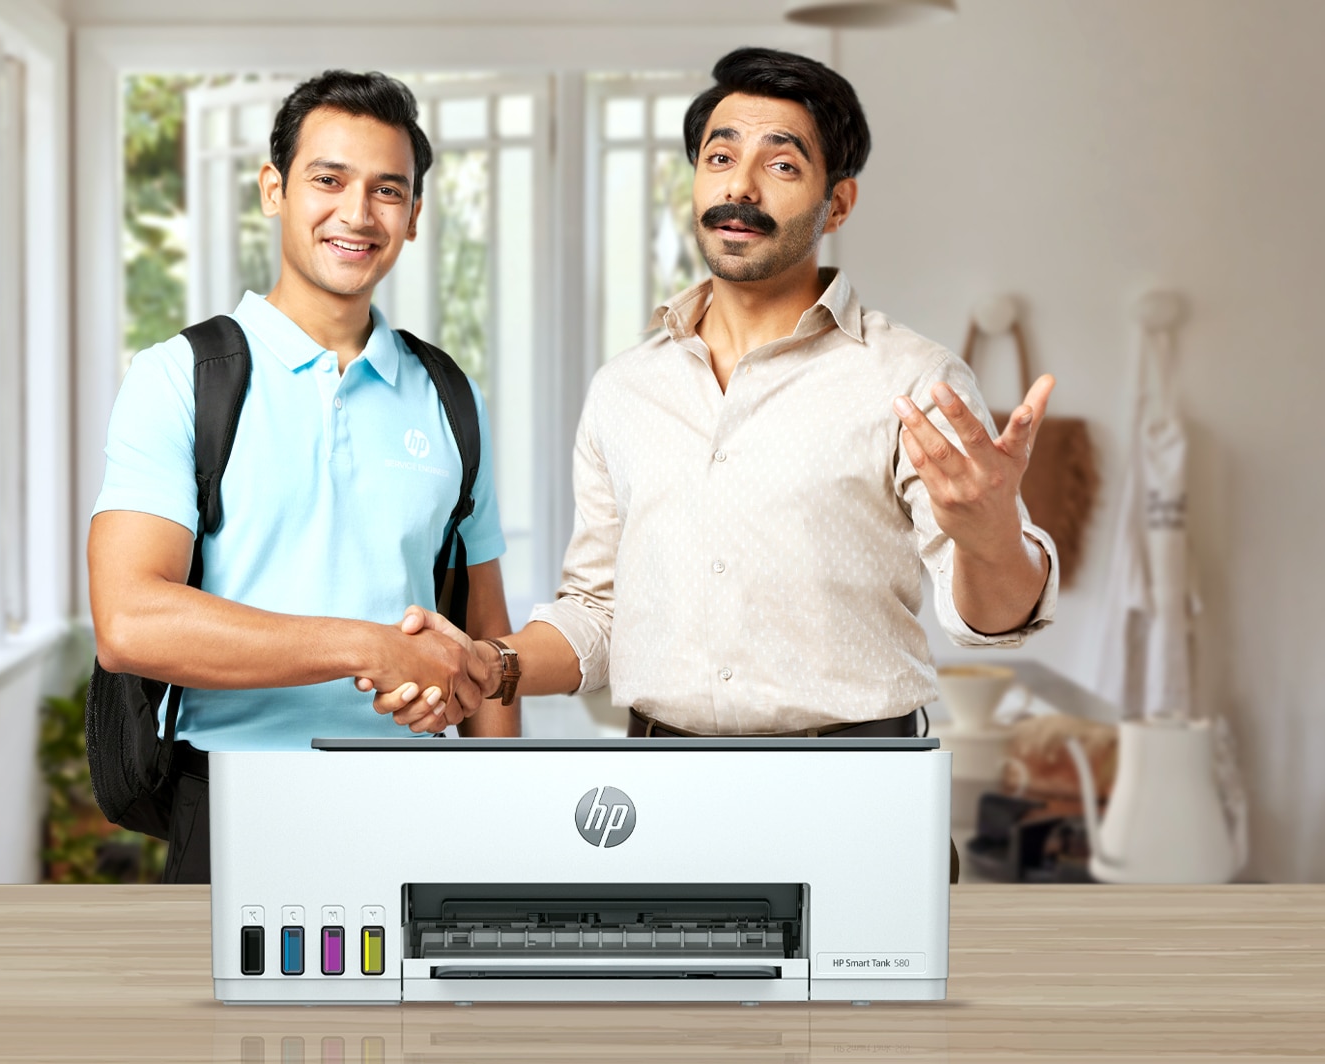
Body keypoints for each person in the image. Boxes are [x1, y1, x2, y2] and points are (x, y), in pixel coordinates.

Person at [396, 47, 1059, 758]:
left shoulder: (914, 381)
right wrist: (490, 664)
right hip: (657, 782)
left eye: (781, 165)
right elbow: (598, 612)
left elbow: (993, 620)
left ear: (837, 202)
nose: (739, 187)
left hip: (854, 781)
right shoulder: (625, 390)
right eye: (719, 158)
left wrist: (989, 539)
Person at [88, 71, 514, 885]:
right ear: (274, 190)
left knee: (418, 1021)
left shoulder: (450, 396)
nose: (358, 214)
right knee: (226, 1019)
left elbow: (488, 640)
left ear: (415, 217)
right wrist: (367, 646)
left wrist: (497, 822)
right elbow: (130, 622)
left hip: (416, 805)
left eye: (387, 190)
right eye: (329, 180)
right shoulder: (181, 378)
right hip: (238, 802)